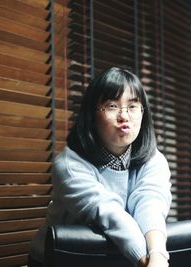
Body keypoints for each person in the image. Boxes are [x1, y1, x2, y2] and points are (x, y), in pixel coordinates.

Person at [29, 67, 172, 267]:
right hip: (59, 260)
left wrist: (158, 255)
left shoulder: (154, 160)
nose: (124, 116)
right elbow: (108, 212)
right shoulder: (69, 165)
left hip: (116, 258)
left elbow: (150, 204)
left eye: (133, 106)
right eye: (112, 106)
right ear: (92, 116)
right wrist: (145, 261)